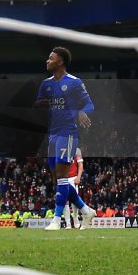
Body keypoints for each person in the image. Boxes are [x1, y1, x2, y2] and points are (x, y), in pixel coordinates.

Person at [36, 47, 97, 231]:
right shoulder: (46, 84)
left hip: (67, 133)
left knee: (63, 177)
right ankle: (86, 210)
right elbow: (39, 102)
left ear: (60, 62)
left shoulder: (74, 82)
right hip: (53, 134)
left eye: (51, 58)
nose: (47, 61)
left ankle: (56, 220)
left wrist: (81, 112)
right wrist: (45, 103)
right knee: (57, 180)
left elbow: (89, 104)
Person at [64, 146, 85, 229]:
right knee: (65, 201)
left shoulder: (76, 150)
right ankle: (68, 223)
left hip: (73, 178)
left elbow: (80, 164)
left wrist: (78, 177)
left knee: (74, 200)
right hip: (63, 178)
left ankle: (75, 219)